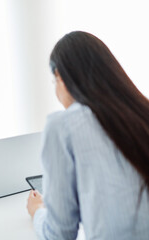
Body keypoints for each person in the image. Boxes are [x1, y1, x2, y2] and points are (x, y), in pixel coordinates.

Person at [27, 31, 149, 240]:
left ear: (61, 77)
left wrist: (38, 210)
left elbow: (60, 234)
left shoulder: (62, 125)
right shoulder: (141, 113)